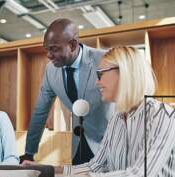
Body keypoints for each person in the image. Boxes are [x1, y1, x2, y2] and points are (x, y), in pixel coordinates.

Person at [71, 46, 175, 177]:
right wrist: (48, 171)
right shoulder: (116, 119)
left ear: (125, 73)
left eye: (100, 74)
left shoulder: (162, 115)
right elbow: (96, 165)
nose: (96, 82)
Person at [21, 18, 113, 165]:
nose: (49, 55)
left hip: (110, 141)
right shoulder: (51, 70)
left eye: (54, 49)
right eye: (47, 49)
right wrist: (29, 152)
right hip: (79, 144)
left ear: (72, 44)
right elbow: (40, 111)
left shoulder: (105, 59)